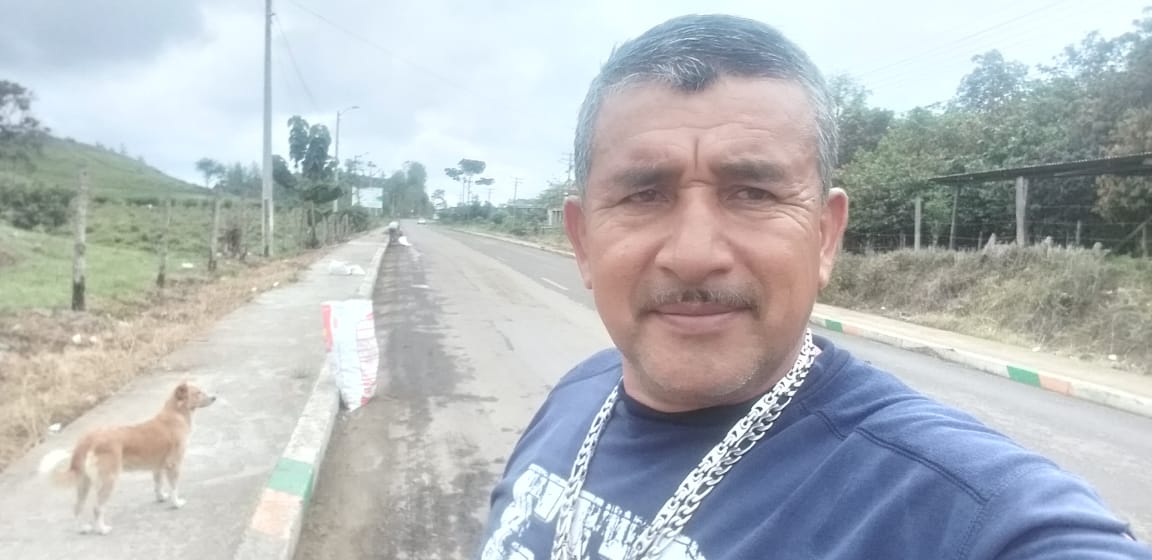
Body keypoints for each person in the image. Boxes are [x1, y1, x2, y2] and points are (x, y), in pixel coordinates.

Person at [476, 14, 1151, 560]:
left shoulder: (954, 505)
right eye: (644, 194)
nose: (694, 255)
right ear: (583, 240)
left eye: (753, 192)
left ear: (825, 236)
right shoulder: (577, 394)